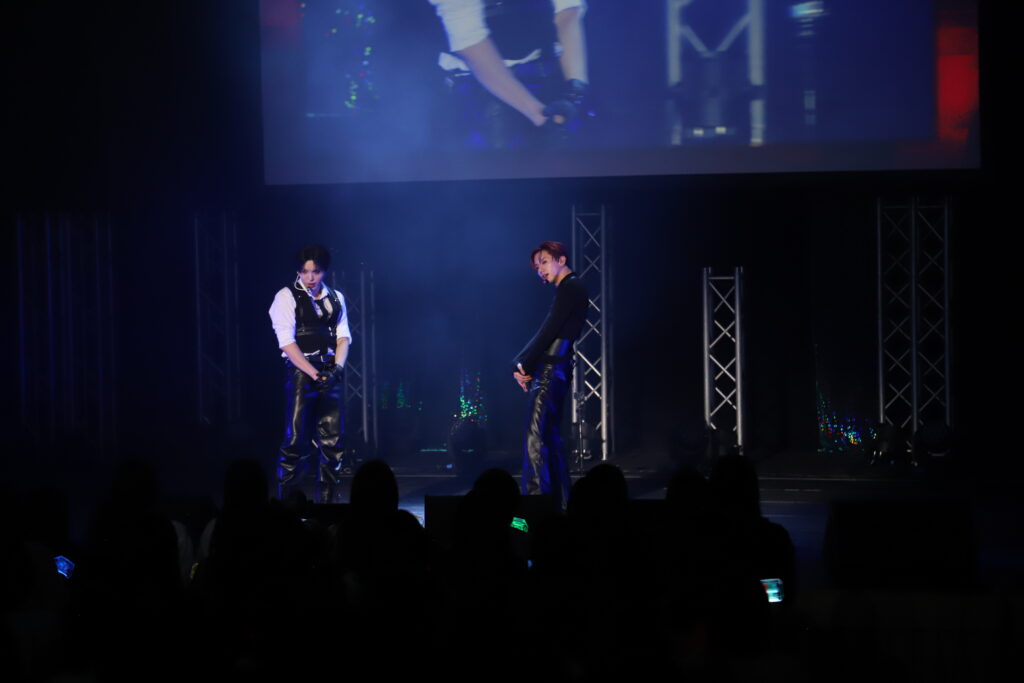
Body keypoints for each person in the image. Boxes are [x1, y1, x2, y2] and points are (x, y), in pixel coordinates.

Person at [428, 0, 590, 148]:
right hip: (480, 90)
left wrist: (574, 90)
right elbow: (469, 43)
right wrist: (538, 114)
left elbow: (568, 10)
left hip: (543, 74)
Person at [269, 245, 352, 502]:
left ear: (325, 271)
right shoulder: (286, 296)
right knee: (296, 438)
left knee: (333, 441)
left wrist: (337, 369)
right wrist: (314, 374)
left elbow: (343, 337)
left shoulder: (336, 297)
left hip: (330, 371)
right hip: (301, 372)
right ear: (298, 271)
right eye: (305, 272)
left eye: (316, 272)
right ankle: (288, 503)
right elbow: (286, 343)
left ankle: (328, 503)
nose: (310, 277)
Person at [513, 240, 587, 506]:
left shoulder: (571, 288)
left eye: (544, 262)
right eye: (536, 266)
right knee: (549, 439)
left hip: (550, 371)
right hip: (555, 369)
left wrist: (524, 364)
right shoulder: (569, 289)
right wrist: (521, 362)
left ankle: (534, 508)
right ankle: (563, 505)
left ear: (561, 260)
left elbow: (549, 330)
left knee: (535, 439)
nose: (540, 270)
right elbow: (548, 330)